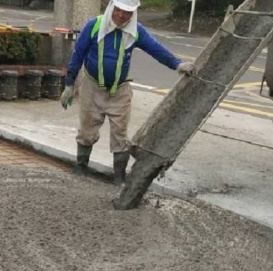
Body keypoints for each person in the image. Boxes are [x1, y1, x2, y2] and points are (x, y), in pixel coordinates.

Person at [59, 0, 196, 184]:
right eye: (118, 10)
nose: (121, 16)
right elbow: (78, 53)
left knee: (120, 134)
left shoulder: (135, 31)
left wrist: (177, 64)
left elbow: (156, 49)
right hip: (92, 88)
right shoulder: (94, 25)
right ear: (111, 8)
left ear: (133, 14)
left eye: (127, 13)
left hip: (120, 91)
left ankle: (119, 177)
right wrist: (69, 85)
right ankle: (81, 166)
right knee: (86, 130)